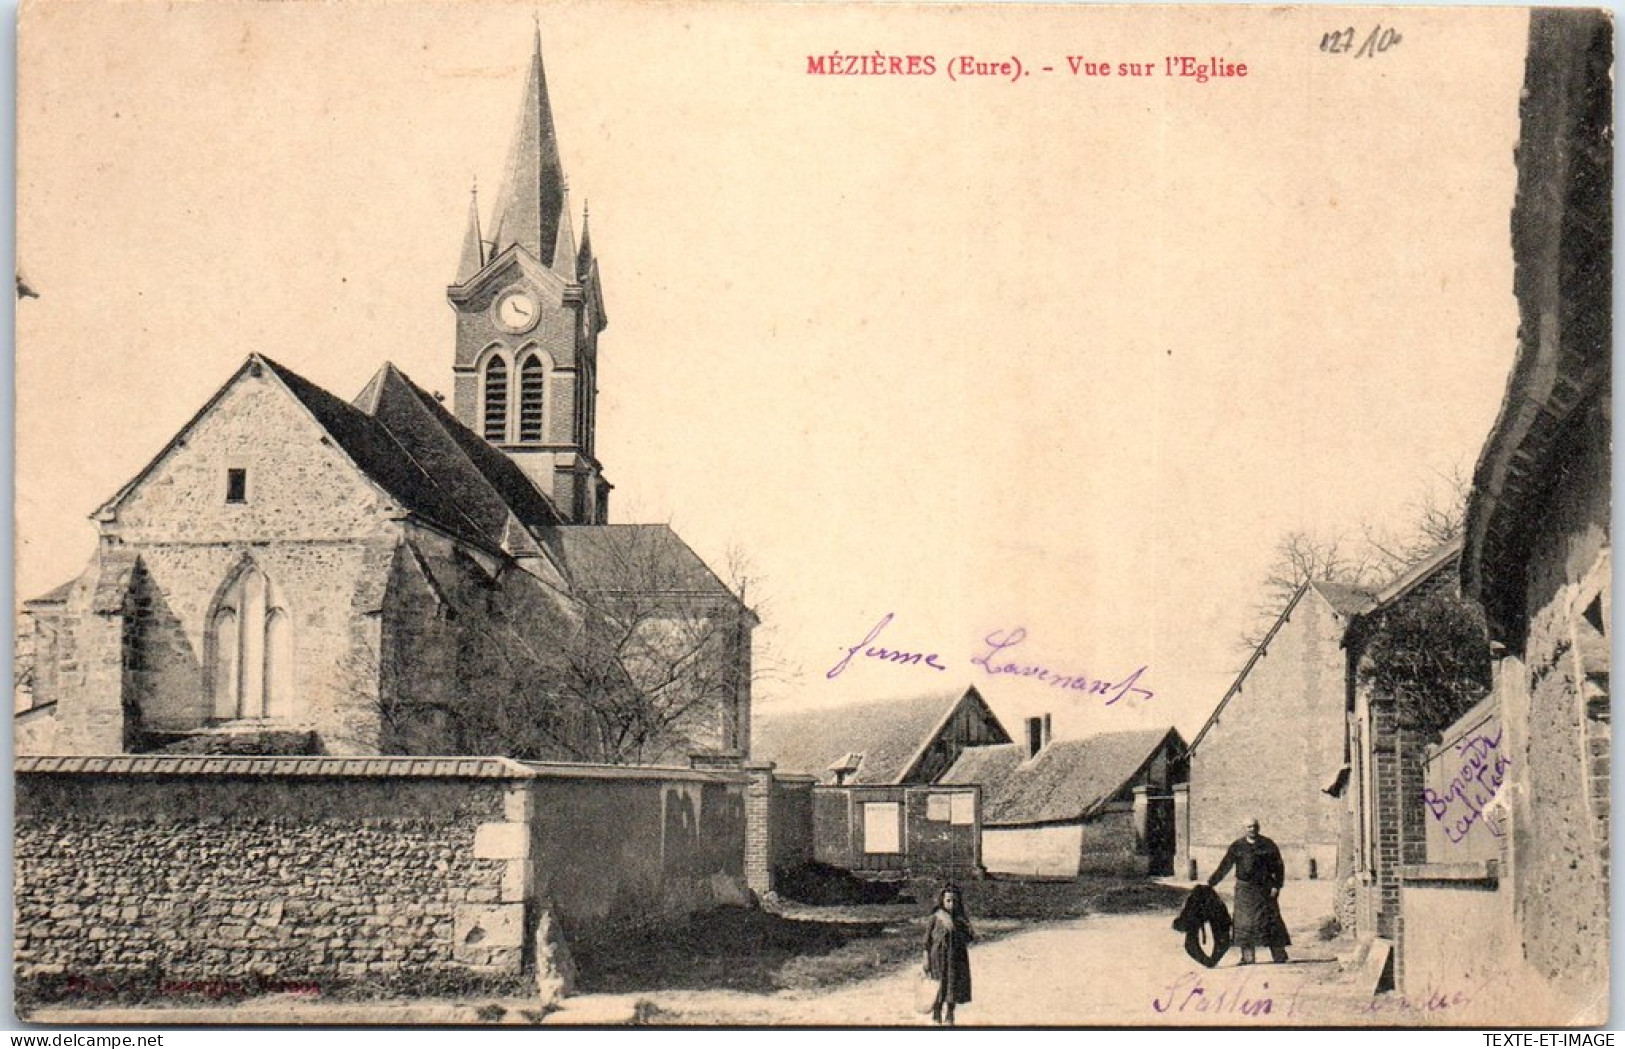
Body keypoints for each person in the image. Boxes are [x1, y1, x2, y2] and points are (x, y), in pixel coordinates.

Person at [1206, 817, 1290, 964]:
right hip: (1244, 890)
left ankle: (1279, 955)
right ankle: (1247, 957)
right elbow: (1225, 865)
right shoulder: (1237, 846)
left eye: (1254, 826)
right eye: (1249, 827)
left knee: (1270, 921)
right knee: (1244, 924)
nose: (1252, 829)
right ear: (1244, 829)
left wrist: (1277, 885)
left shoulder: (1268, 845)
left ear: (1259, 827)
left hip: (1265, 889)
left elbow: (1279, 866)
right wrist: (1211, 883)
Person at [923, 884, 975, 1025]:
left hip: (956, 957)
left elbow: (970, 937)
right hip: (938, 957)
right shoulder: (936, 917)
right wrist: (925, 957)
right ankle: (936, 1013)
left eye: (955, 901)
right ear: (942, 901)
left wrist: (964, 929)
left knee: (953, 985)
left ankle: (950, 1014)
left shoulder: (961, 919)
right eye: (948, 900)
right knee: (937, 984)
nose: (951, 904)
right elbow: (927, 940)